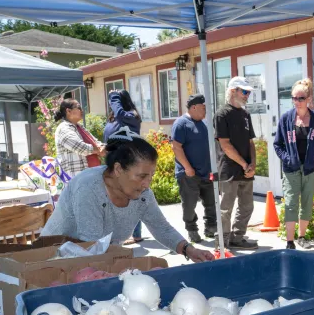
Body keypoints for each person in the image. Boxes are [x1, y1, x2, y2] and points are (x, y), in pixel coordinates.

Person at [42, 134, 213, 263]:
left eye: (151, 176)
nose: (147, 183)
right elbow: (92, 246)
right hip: (52, 259)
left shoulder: (143, 195)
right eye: (141, 176)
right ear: (118, 169)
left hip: (96, 262)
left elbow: (161, 228)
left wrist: (188, 250)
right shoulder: (88, 187)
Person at [273, 78, 314, 250]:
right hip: (291, 169)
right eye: (294, 98)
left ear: (309, 99)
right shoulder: (286, 119)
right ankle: (290, 241)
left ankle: (302, 236)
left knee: (306, 202)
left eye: (301, 98)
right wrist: (287, 159)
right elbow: (278, 144)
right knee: (290, 202)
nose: (297, 102)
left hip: (311, 169)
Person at [215, 76, 258, 250]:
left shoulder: (246, 114)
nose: (247, 95)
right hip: (229, 169)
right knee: (226, 208)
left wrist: (252, 165)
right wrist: (243, 164)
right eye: (244, 91)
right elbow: (225, 145)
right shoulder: (222, 114)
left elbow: (250, 143)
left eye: (248, 92)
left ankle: (237, 238)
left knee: (247, 206)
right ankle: (222, 243)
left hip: (246, 170)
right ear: (233, 91)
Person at [172, 94, 217, 244]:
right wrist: (187, 167)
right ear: (194, 107)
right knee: (190, 204)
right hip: (188, 174)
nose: (205, 111)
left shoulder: (203, 124)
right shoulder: (181, 124)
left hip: (206, 172)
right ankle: (192, 230)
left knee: (211, 202)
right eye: (203, 108)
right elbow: (176, 147)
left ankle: (211, 228)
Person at [104, 90, 146, 245]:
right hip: (114, 165)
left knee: (131, 198)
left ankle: (135, 233)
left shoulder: (131, 117)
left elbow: (120, 114)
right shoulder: (115, 120)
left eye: (114, 101)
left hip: (129, 164)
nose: (112, 103)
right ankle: (120, 233)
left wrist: (113, 95)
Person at [53, 98, 104, 179]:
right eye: (79, 108)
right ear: (68, 111)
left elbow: (95, 141)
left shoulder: (79, 127)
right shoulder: (63, 129)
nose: (82, 110)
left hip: (90, 177)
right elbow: (81, 148)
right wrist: (99, 149)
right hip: (76, 181)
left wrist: (103, 147)